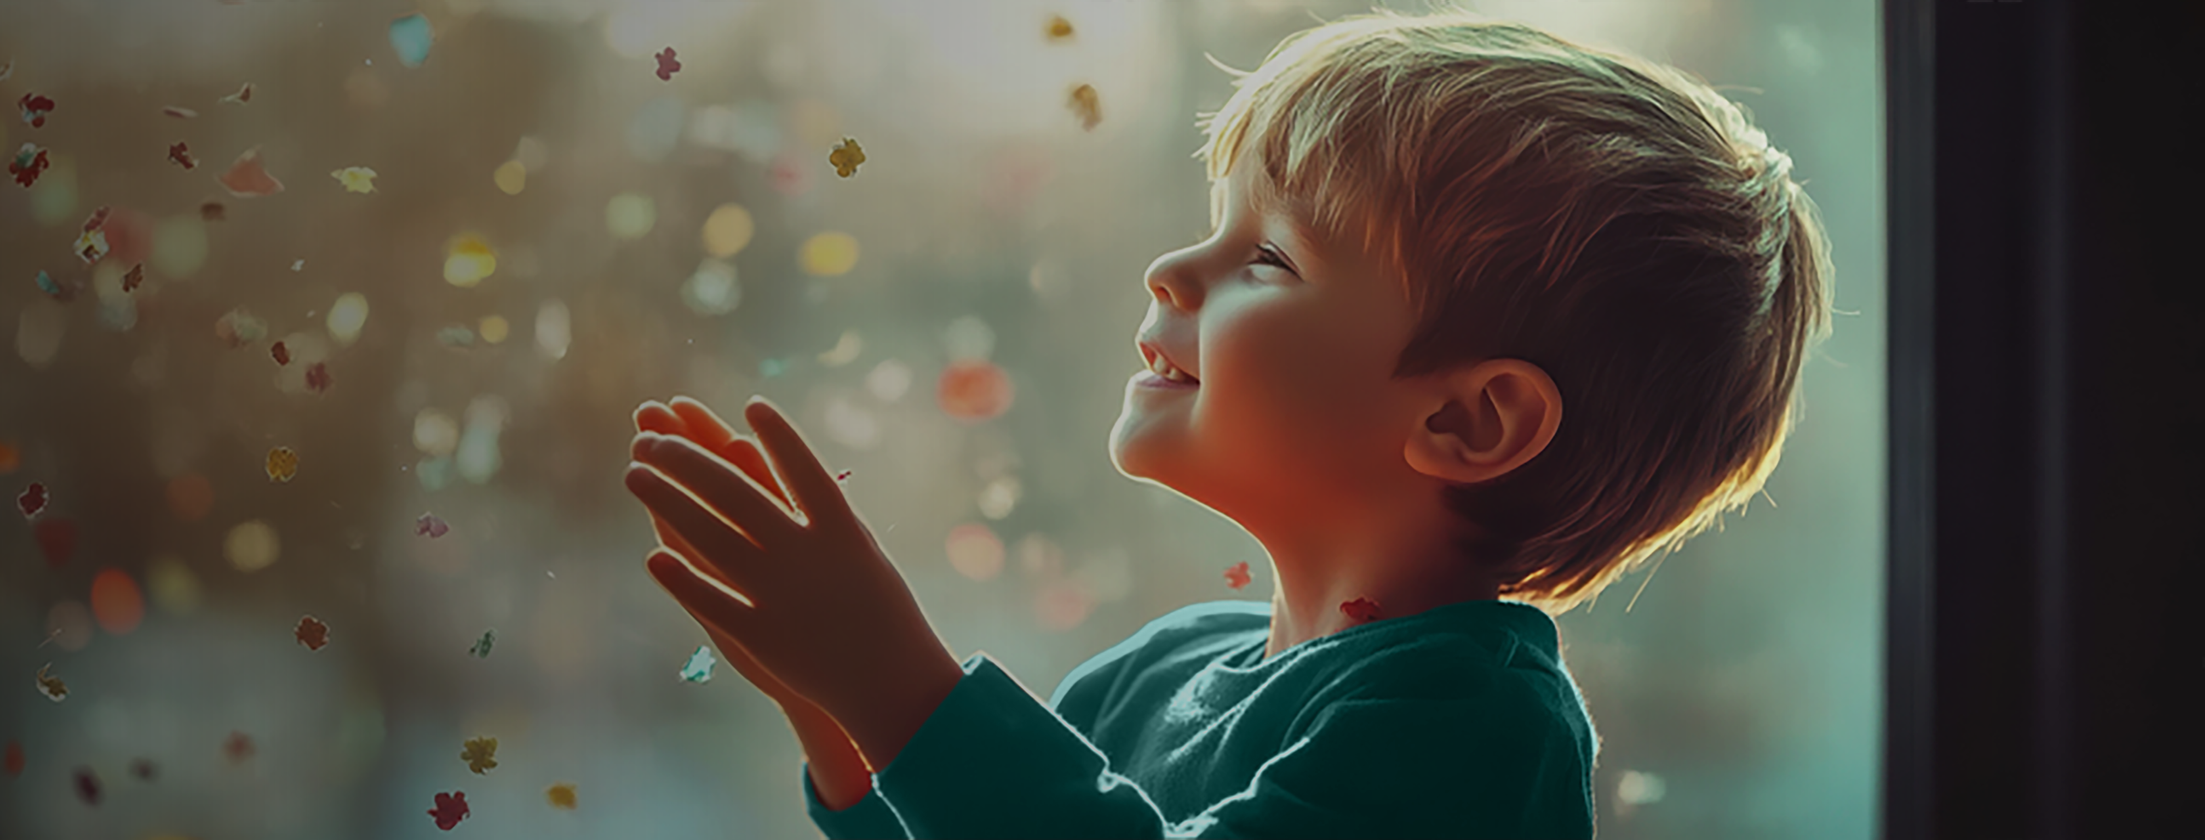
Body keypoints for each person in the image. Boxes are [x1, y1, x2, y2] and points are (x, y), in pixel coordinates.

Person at [623, 9, 1832, 838]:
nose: (1171, 268)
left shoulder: (1472, 732)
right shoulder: (1161, 666)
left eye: (1267, 255)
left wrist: (895, 686)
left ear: (1468, 418)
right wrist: (832, 714)